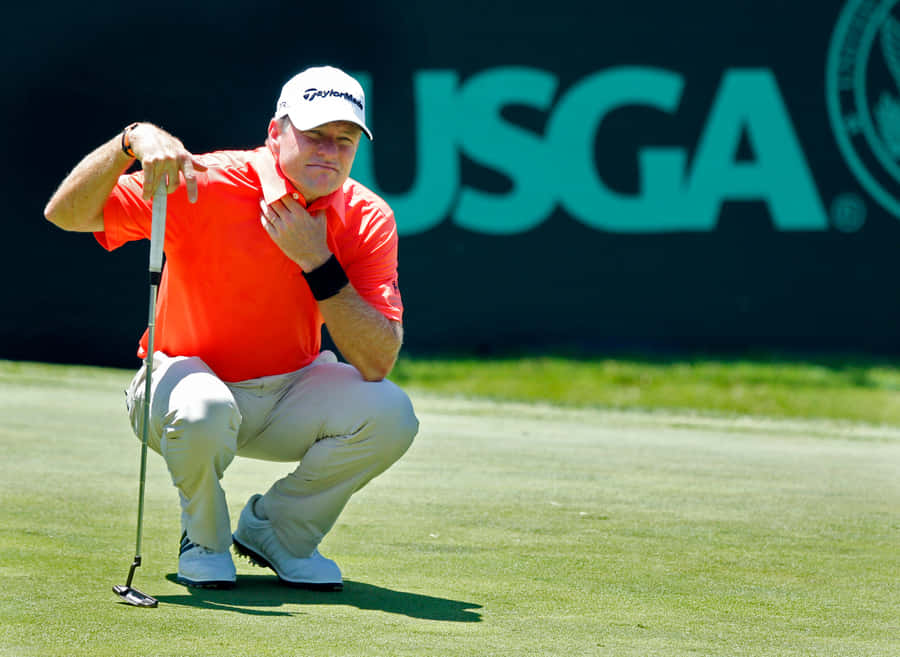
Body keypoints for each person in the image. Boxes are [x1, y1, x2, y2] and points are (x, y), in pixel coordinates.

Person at [43, 65, 419, 591]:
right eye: (314, 135)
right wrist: (129, 141)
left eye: (344, 139)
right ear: (275, 132)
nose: (329, 152)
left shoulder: (367, 217)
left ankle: (280, 533)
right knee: (205, 408)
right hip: (175, 389)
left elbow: (377, 362)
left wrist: (317, 261)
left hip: (287, 392)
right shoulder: (202, 183)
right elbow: (67, 214)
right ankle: (203, 537)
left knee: (391, 414)